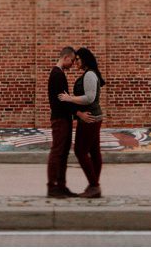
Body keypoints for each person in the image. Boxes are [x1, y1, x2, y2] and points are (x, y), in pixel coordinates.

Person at [59, 46, 106, 198]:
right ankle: (94, 186)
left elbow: (90, 98)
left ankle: (94, 185)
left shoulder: (90, 75)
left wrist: (69, 98)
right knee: (94, 152)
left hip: (89, 118)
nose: (75, 62)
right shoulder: (89, 74)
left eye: (78, 59)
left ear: (84, 59)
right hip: (91, 117)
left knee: (80, 151)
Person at [46, 46, 80, 198]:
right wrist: (78, 113)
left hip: (64, 119)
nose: (73, 64)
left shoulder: (59, 74)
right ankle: (52, 187)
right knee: (57, 152)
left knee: (64, 152)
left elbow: (66, 99)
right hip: (60, 119)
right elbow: (62, 100)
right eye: (72, 61)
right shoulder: (57, 74)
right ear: (65, 57)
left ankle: (61, 186)